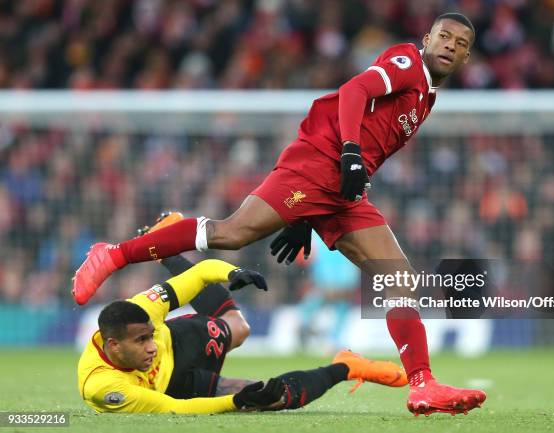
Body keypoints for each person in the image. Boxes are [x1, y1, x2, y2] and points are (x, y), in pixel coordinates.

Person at [73, 13, 486, 416]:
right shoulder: (407, 63)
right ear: (426, 39)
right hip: (321, 163)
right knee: (232, 233)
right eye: (444, 36)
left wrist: (307, 218)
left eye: (461, 43)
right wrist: (349, 153)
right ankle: (115, 253)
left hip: (343, 190)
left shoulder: (426, 95)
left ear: (467, 59)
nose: (451, 45)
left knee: (399, 281)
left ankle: (423, 386)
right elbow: (354, 91)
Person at [77, 215, 409, 413]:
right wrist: (236, 402)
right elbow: (173, 408)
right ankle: (347, 366)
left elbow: (201, 274)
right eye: (141, 340)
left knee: (240, 328)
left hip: (181, 345)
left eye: (150, 334)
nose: (150, 345)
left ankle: (168, 250)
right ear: (113, 346)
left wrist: (231, 272)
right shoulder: (103, 387)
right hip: (175, 388)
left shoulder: (145, 308)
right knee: (272, 398)